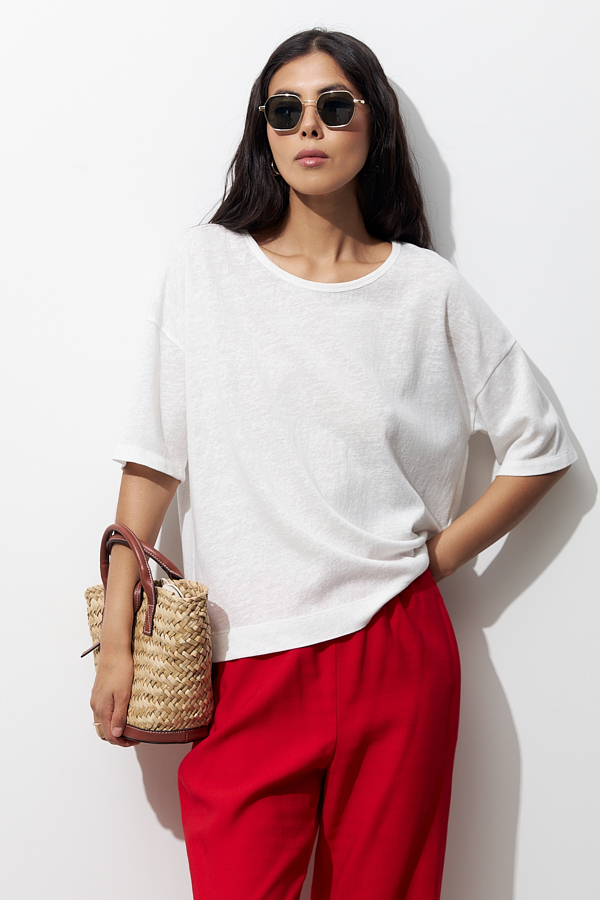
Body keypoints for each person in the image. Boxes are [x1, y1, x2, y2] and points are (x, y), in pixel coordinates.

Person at [90, 27, 577, 900]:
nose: (308, 126)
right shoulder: (204, 266)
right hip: (246, 659)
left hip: (396, 651)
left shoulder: (427, 290)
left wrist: (436, 561)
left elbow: (542, 449)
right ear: (265, 132)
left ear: (372, 122)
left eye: (334, 105)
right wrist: (115, 645)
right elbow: (152, 464)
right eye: (285, 110)